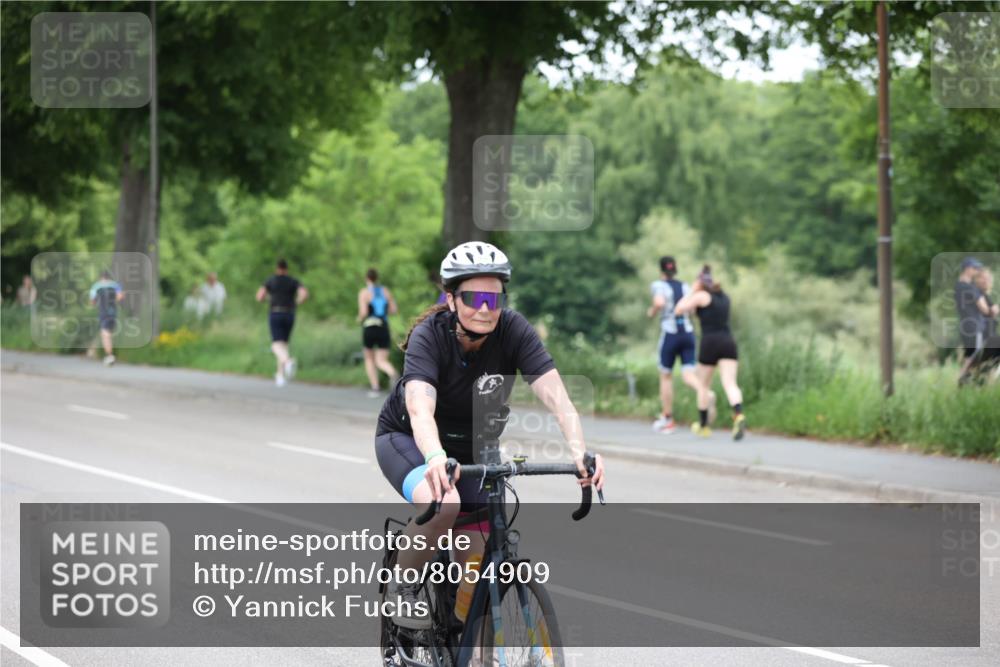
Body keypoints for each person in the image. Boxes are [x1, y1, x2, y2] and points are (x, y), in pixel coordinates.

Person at [374, 241, 605, 628]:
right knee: (444, 503)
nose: (485, 308)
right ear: (451, 299)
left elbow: (558, 398)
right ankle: (405, 584)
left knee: (476, 570)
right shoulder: (429, 337)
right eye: (474, 297)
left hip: (476, 448)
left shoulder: (513, 331)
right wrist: (434, 459)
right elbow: (419, 407)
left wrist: (580, 451)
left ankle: (464, 639)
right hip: (409, 439)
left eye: (494, 299)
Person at [674, 265, 746, 440]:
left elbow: (679, 308)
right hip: (728, 342)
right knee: (730, 383)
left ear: (700, 282)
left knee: (703, 386)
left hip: (710, 342)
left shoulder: (701, 296)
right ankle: (738, 414)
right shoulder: (724, 298)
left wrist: (692, 290)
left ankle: (704, 425)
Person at [646, 256, 712, 434]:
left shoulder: (659, 285)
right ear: (675, 269)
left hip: (670, 334)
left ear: (661, 271)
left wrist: (652, 311)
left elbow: (659, 302)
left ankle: (668, 418)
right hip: (688, 334)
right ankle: (704, 392)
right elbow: (691, 309)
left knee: (665, 376)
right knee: (688, 374)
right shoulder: (684, 286)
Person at [256, 258, 308, 387]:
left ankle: (287, 361)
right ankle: (280, 375)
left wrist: (268, 299)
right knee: (283, 345)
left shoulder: (271, 280)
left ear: (277, 268)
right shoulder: (292, 281)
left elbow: (259, 296)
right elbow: (304, 293)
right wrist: (297, 302)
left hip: (276, 313)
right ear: (287, 269)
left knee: (275, 345)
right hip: (290, 313)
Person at [357, 268, 399, 397]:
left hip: (370, 327)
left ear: (366, 278)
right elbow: (393, 310)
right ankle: (393, 374)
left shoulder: (364, 293)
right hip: (383, 327)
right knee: (381, 360)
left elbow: (363, 312)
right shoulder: (385, 291)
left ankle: (375, 388)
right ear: (377, 278)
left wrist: (358, 319)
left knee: (369, 359)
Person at [955, 257, 996, 383]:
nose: (978, 271)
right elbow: (984, 309)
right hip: (974, 327)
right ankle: (961, 380)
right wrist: (993, 310)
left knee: (971, 355)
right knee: (974, 357)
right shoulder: (968, 287)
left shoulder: (960, 286)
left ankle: (966, 380)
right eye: (976, 268)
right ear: (967, 269)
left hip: (967, 326)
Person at [89, 270, 124, 366]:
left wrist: (96, 303)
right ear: (109, 277)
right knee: (109, 333)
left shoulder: (96, 286)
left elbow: (92, 301)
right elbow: (120, 296)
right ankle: (110, 355)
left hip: (103, 313)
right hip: (113, 312)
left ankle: (109, 356)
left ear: (101, 278)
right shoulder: (115, 285)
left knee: (105, 334)